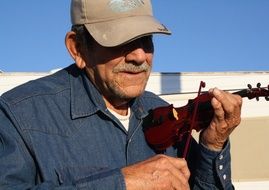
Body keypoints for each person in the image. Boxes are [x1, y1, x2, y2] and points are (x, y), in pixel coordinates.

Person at [0, 0, 242, 189]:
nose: (139, 56)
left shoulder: (166, 115)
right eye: (119, 39)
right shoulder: (18, 115)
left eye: (146, 39)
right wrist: (122, 183)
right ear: (78, 48)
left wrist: (213, 145)